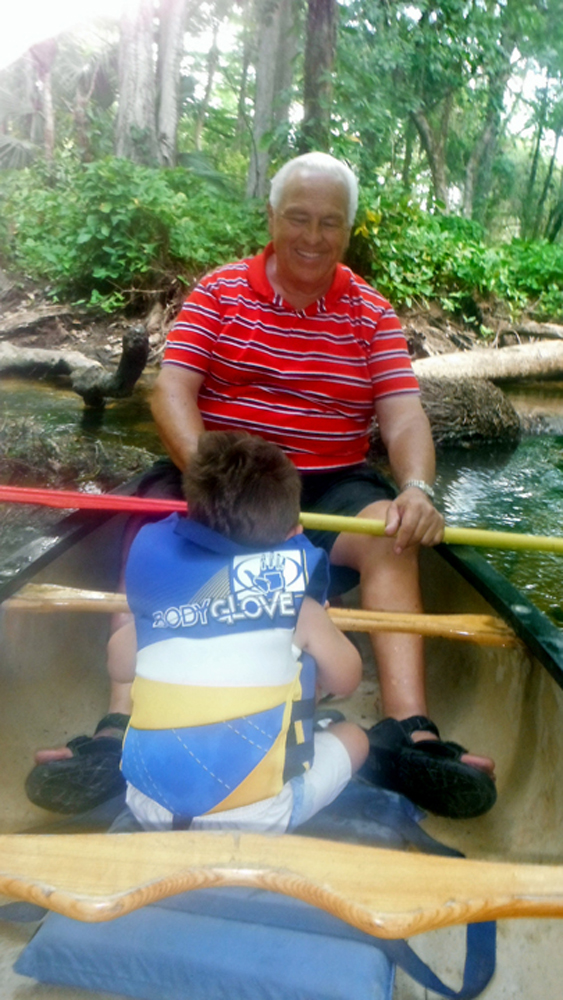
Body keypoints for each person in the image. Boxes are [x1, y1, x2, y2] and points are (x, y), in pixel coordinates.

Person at [26, 151, 496, 821]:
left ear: (347, 229)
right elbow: (172, 392)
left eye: (328, 222)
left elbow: (401, 413)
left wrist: (417, 487)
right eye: (297, 218)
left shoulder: (370, 312)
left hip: (326, 481)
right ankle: (119, 725)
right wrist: (211, 478)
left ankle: (407, 729)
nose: (311, 236)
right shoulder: (219, 292)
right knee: (153, 524)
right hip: (217, 474)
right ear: (272, 217)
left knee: (391, 531)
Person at [111, 430, 368, 833]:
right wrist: (323, 623)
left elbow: (118, 665)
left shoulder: (165, 594)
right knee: (354, 737)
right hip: (253, 820)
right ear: (294, 534)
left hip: (148, 805)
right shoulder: (302, 607)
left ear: (192, 519)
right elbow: (347, 679)